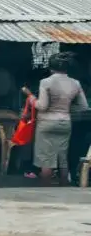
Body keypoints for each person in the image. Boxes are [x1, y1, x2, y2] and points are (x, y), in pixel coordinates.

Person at [25, 52, 88, 187]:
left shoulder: (46, 82)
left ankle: (46, 191)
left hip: (47, 123)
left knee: (46, 159)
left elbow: (42, 105)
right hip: (65, 122)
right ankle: (64, 189)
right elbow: (84, 106)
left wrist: (31, 99)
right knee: (62, 158)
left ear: (50, 68)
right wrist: (66, 110)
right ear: (67, 67)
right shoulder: (75, 83)